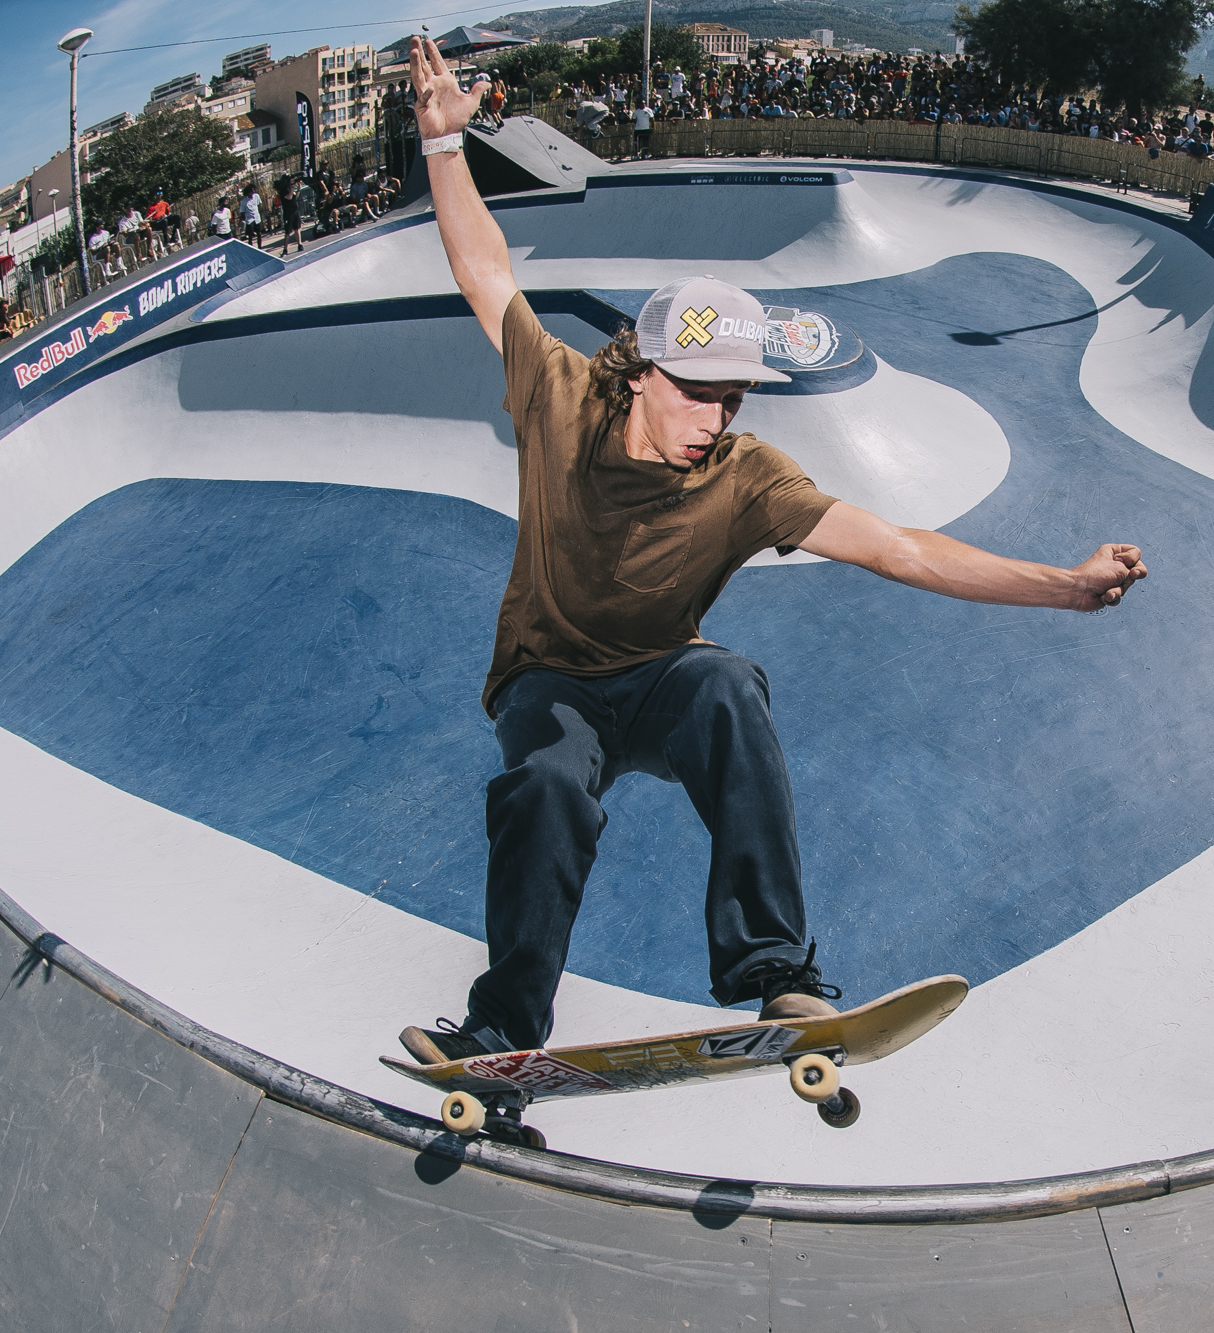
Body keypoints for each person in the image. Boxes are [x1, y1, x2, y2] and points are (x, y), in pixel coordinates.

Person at [392, 38, 1147, 1063]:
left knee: (728, 684)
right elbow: (485, 270)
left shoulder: (746, 475)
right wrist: (443, 145)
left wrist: (1064, 587)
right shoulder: (557, 393)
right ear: (640, 369)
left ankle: (776, 974)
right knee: (547, 792)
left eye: (731, 396)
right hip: (547, 679)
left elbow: (899, 550)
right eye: (695, 390)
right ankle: (502, 1031)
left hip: (656, 680)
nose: (713, 417)